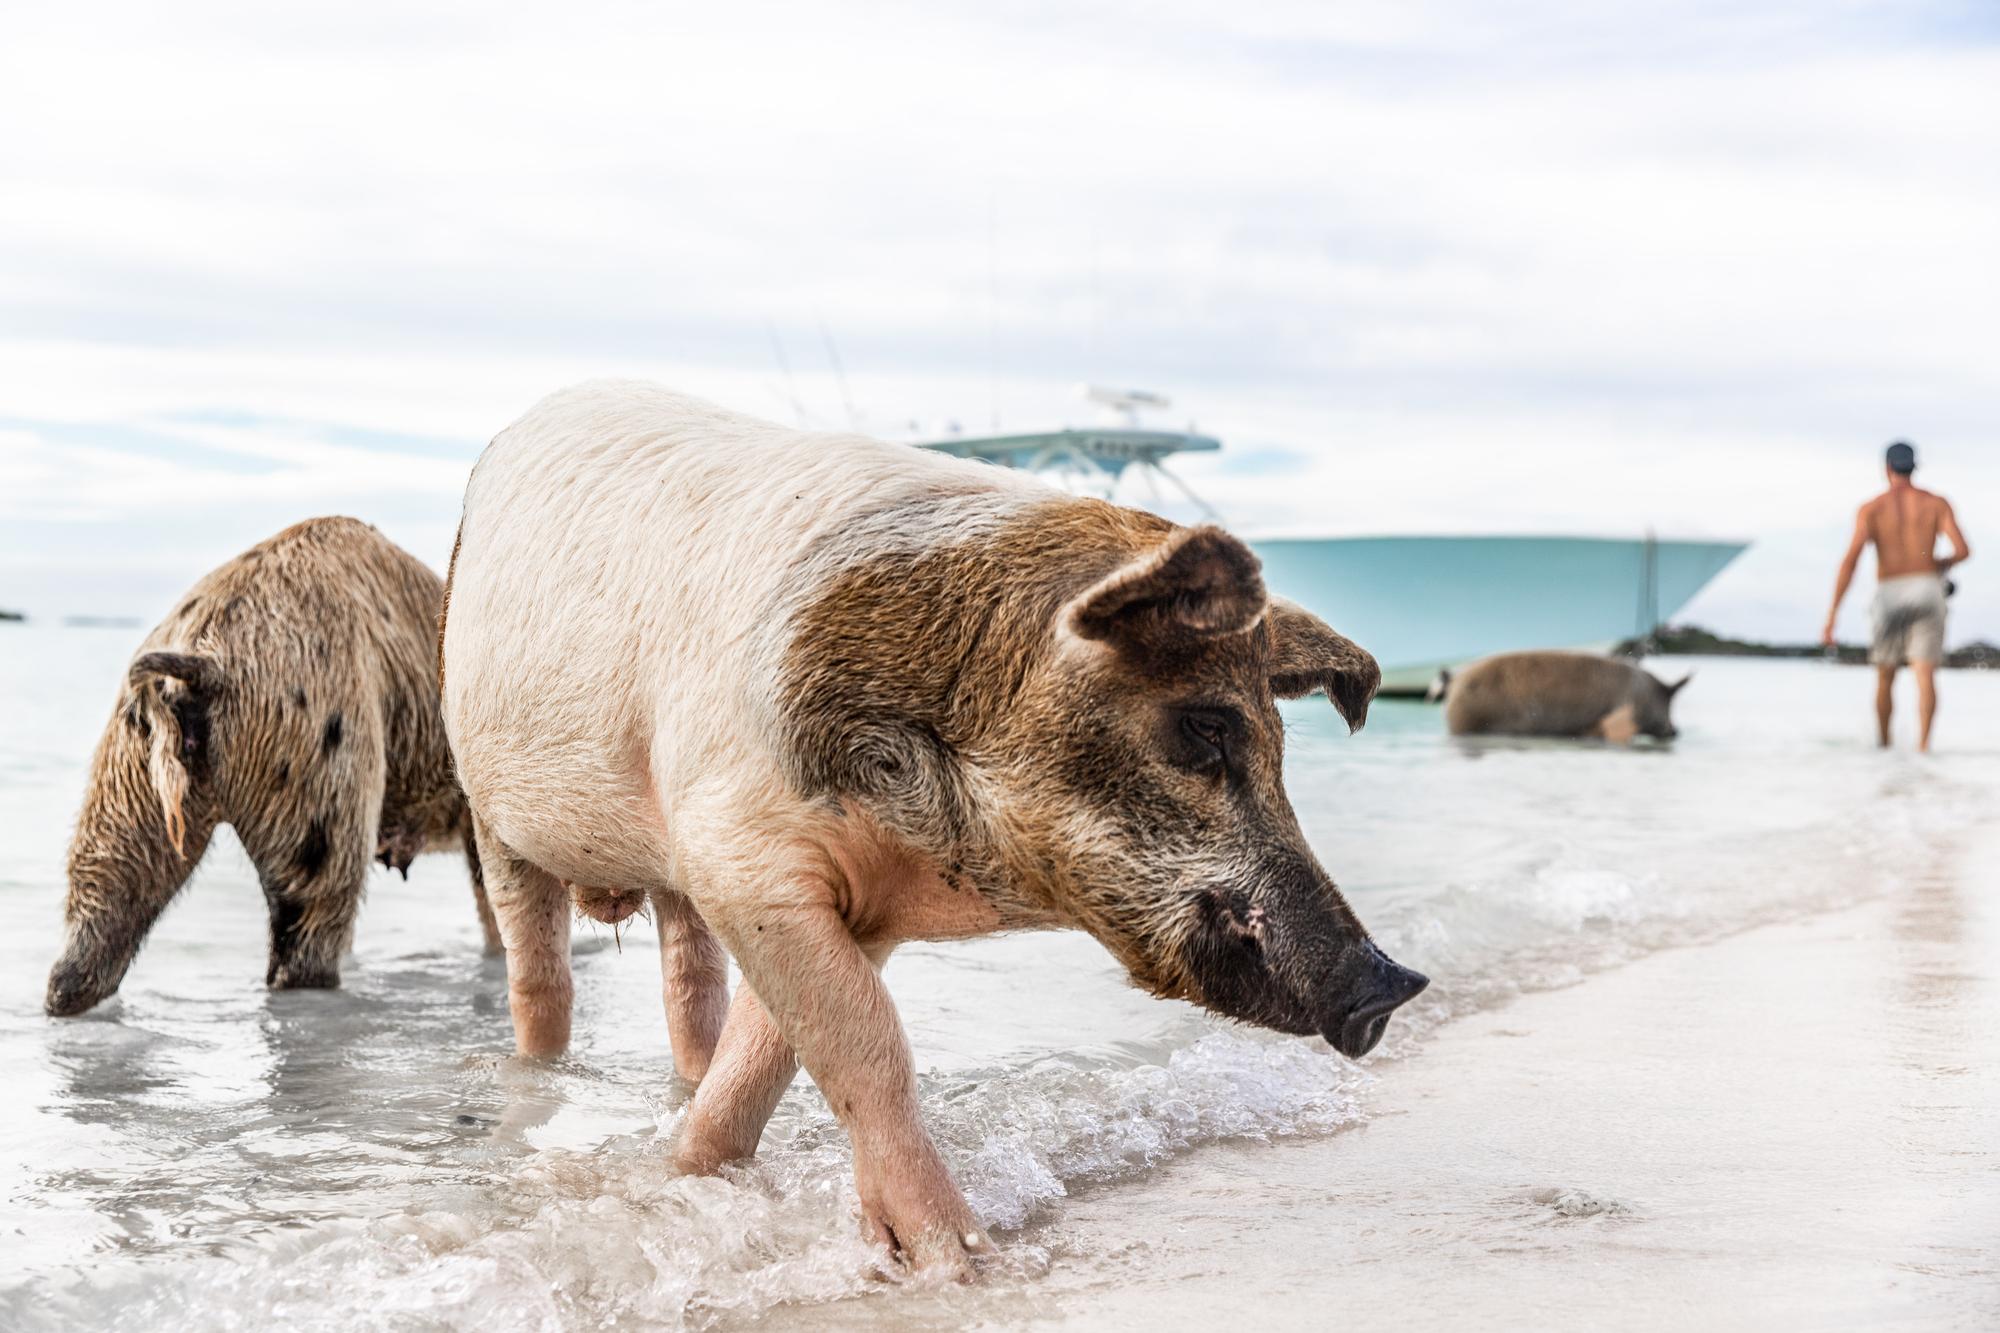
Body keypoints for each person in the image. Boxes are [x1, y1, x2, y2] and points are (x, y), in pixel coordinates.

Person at [1822, 441, 1971, 752]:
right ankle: (1924, 747)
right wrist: (1939, 563)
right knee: (1925, 673)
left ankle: (1884, 745)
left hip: (1889, 589)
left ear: (1886, 468)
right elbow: (1962, 550)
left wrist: (1832, 615)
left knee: (1885, 675)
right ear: (1914, 467)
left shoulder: (1872, 508)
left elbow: (1850, 562)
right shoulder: (1936, 503)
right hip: (1928, 586)